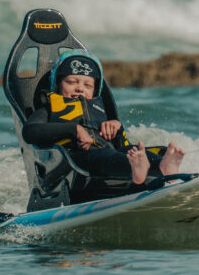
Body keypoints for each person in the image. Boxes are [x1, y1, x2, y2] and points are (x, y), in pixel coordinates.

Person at [20, 50, 185, 188]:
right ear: (57, 85)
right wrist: (74, 129)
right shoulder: (49, 108)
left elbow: (120, 145)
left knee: (135, 151)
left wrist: (116, 127)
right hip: (74, 161)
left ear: (95, 90)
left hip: (108, 154)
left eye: (87, 85)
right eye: (71, 82)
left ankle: (163, 167)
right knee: (108, 156)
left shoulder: (98, 108)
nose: (79, 88)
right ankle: (137, 173)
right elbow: (29, 131)